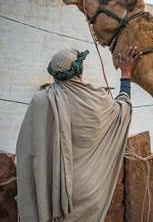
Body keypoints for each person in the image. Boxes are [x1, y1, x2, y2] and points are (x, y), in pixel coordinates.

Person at [16, 47, 141, 222]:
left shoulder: (39, 101)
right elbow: (123, 109)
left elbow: (26, 151)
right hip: (87, 192)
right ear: (79, 70)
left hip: (50, 190)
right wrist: (125, 73)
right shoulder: (97, 98)